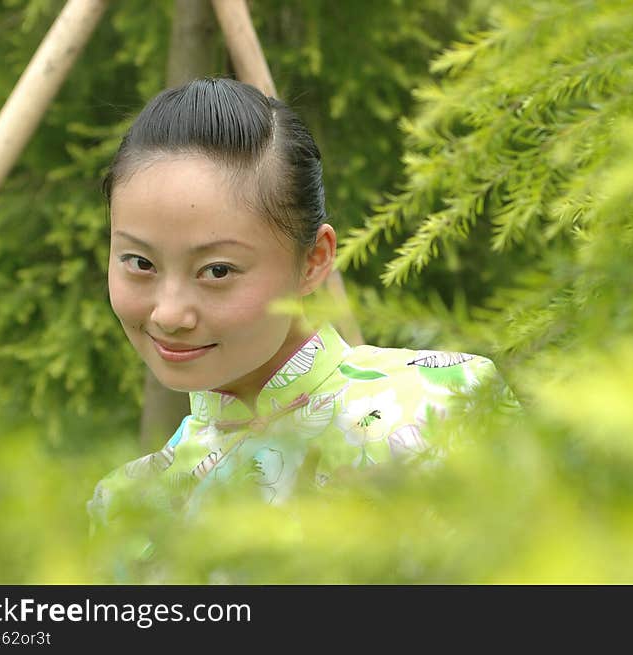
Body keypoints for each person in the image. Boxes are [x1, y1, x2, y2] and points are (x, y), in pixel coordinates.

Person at [87, 78, 516, 569]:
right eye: (140, 263)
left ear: (314, 260)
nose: (169, 313)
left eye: (217, 271)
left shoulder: (441, 404)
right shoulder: (126, 505)